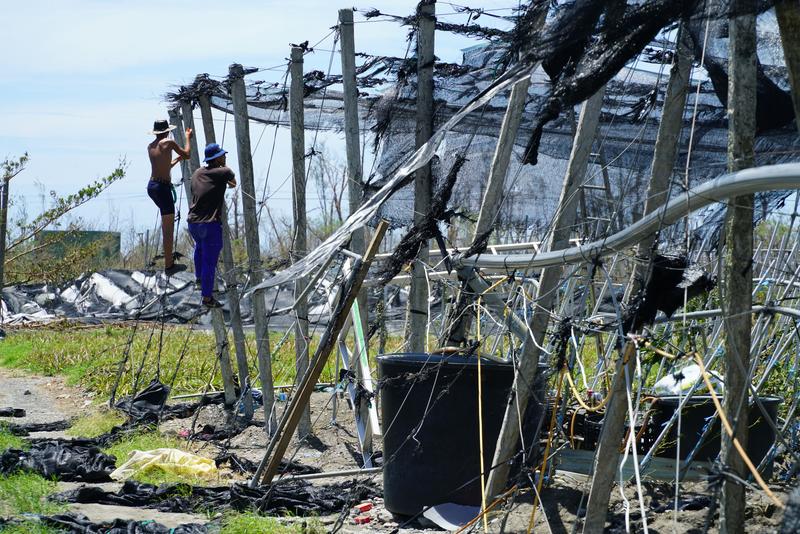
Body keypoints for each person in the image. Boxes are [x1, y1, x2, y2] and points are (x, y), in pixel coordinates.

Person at [188, 143, 236, 308]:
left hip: (193, 223)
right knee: (210, 260)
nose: (225, 157)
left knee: (199, 248)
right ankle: (207, 298)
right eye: (223, 155)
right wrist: (223, 166)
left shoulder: (197, 172)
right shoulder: (223, 171)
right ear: (217, 159)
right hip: (210, 224)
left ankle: (199, 279)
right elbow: (233, 183)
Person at [147, 119, 192, 276]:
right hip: (162, 188)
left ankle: (168, 260)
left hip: (152, 186)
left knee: (167, 224)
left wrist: (175, 160)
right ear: (167, 131)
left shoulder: (151, 146)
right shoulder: (169, 143)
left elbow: (163, 166)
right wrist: (188, 137)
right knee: (168, 229)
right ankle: (169, 265)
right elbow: (187, 154)